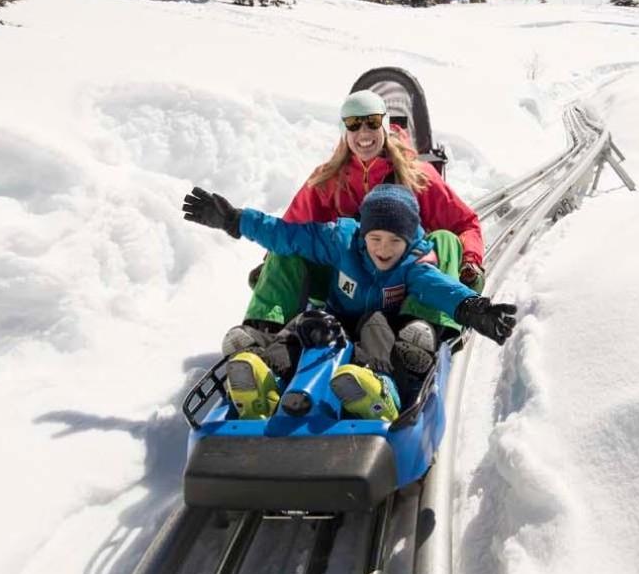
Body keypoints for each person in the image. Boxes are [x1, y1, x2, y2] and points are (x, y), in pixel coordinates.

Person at [183, 182, 517, 422]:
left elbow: (441, 287)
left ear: (409, 239)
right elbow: (286, 235)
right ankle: (264, 380)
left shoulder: (414, 262)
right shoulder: (340, 240)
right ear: (362, 235)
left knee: (375, 328)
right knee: (301, 329)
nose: (383, 250)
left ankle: (380, 392)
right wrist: (235, 220)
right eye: (375, 239)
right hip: (337, 318)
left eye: (394, 242)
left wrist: (477, 309)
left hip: (383, 329)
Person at [237, 88, 485, 346]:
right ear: (345, 131)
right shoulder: (327, 180)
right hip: (346, 287)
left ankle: (424, 329)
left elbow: (464, 224)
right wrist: (272, 269)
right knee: (288, 246)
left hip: (403, 288)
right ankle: (263, 329)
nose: (363, 132)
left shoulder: (418, 176)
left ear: (385, 126)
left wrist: (470, 261)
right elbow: (291, 228)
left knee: (445, 239)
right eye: (354, 124)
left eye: (372, 122)